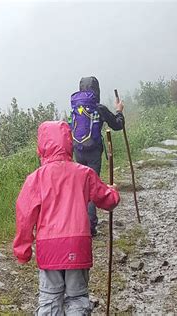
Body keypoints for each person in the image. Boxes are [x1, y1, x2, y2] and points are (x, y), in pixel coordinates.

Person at [13, 121, 120, 315]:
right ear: (69, 143)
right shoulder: (84, 173)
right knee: (77, 298)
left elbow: (24, 215)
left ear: (41, 146)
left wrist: (23, 250)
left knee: (49, 299)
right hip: (78, 245)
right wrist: (113, 192)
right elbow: (107, 200)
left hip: (49, 247)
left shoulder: (35, 179)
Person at [70, 76, 124, 236]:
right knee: (91, 186)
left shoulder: (75, 108)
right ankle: (90, 226)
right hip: (94, 152)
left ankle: (80, 223)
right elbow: (117, 125)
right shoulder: (99, 108)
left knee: (81, 187)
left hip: (78, 151)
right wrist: (119, 111)